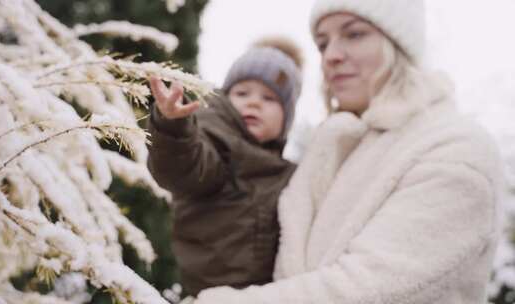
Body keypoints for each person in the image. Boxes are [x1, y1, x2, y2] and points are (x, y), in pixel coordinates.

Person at [191, 1, 504, 303]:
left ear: (399, 44)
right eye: (323, 44)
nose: (331, 56)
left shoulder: (456, 149)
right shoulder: (336, 151)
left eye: (354, 34)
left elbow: (367, 288)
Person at [146, 37, 303, 296]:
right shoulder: (214, 143)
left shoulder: (288, 174)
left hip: (270, 294)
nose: (254, 102)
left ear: (287, 119)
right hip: (208, 292)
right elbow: (183, 168)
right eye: (242, 93)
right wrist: (172, 127)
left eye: (269, 98)